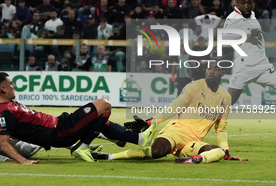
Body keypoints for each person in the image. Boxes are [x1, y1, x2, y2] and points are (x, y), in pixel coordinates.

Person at [94, 60, 248, 164]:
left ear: (223, 73)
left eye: (216, 69)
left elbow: (220, 128)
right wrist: (152, 121)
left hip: (193, 141)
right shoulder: (194, 86)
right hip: (176, 131)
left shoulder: (225, 98)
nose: (211, 71)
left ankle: (194, 159)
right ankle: (109, 156)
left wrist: (226, 151)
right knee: (157, 152)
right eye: (209, 68)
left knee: (219, 151)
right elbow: (174, 107)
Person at [0, 72, 157, 163]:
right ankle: (82, 148)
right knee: (104, 105)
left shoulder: (6, 108)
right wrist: (23, 161)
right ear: (2, 89)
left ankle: (140, 139)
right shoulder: (4, 112)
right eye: (11, 83)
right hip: (61, 131)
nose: (14, 85)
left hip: (60, 126)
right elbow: (4, 143)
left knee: (98, 120)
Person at [222, 0, 276, 105]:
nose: (246, 6)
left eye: (249, 2)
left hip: (263, 65)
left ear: (253, 2)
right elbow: (225, 37)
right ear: (237, 3)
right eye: (243, 3)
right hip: (244, 67)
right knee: (228, 101)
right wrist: (248, 33)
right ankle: (203, 117)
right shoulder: (233, 17)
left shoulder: (251, 14)